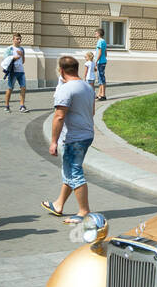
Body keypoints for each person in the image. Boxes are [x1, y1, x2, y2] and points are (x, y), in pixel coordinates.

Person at [43, 55, 96, 219]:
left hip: (74, 137)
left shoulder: (66, 89)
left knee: (74, 172)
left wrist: (53, 142)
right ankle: (59, 204)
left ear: (61, 70)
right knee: (69, 170)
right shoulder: (87, 87)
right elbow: (92, 112)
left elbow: (59, 116)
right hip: (87, 134)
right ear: (77, 69)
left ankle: (84, 211)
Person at [2, 33, 28, 113]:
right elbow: (5, 60)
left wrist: (22, 55)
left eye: (20, 39)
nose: (19, 40)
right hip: (13, 71)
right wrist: (13, 58)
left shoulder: (22, 49)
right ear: (13, 39)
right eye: (17, 39)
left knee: (23, 88)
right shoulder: (9, 49)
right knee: (10, 88)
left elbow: (23, 61)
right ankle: (6, 106)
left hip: (21, 71)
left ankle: (22, 106)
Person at [93, 28, 108, 100]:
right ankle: (99, 94)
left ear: (99, 34)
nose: (95, 34)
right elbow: (105, 53)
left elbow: (100, 52)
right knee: (100, 78)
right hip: (103, 61)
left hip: (100, 62)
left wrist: (96, 61)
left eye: (95, 33)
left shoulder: (99, 41)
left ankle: (103, 95)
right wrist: (103, 58)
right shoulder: (104, 41)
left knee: (101, 78)